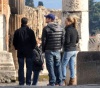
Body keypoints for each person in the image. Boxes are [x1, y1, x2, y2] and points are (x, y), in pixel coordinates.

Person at [42, 14, 64, 86]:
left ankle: (52, 81)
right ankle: (59, 81)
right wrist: (60, 47)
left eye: (47, 18)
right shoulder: (61, 28)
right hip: (57, 49)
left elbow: (44, 40)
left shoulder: (46, 28)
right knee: (58, 65)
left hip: (49, 49)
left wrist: (43, 49)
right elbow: (62, 39)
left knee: (50, 66)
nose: (45, 19)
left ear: (50, 19)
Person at [13, 17, 36, 85]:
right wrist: (32, 48)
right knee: (29, 67)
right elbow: (34, 42)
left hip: (20, 51)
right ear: (27, 22)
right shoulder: (31, 31)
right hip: (29, 51)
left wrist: (17, 48)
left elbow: (14, 42)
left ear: (21, 22)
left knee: (21, 67)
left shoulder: (17, 31)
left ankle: (21, 82)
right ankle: (28, 82)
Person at [62, 15, 79, 86]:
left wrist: (63, 42)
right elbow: (77, 40)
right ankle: (72, 80)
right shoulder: (75, 29)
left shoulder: (68, 30)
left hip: (68, 49)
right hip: (74, 50)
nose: (65, 21)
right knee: (72, 65)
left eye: (66, 20)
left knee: (63, 65)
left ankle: (63, 79)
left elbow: (67, 41)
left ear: (69, 22)